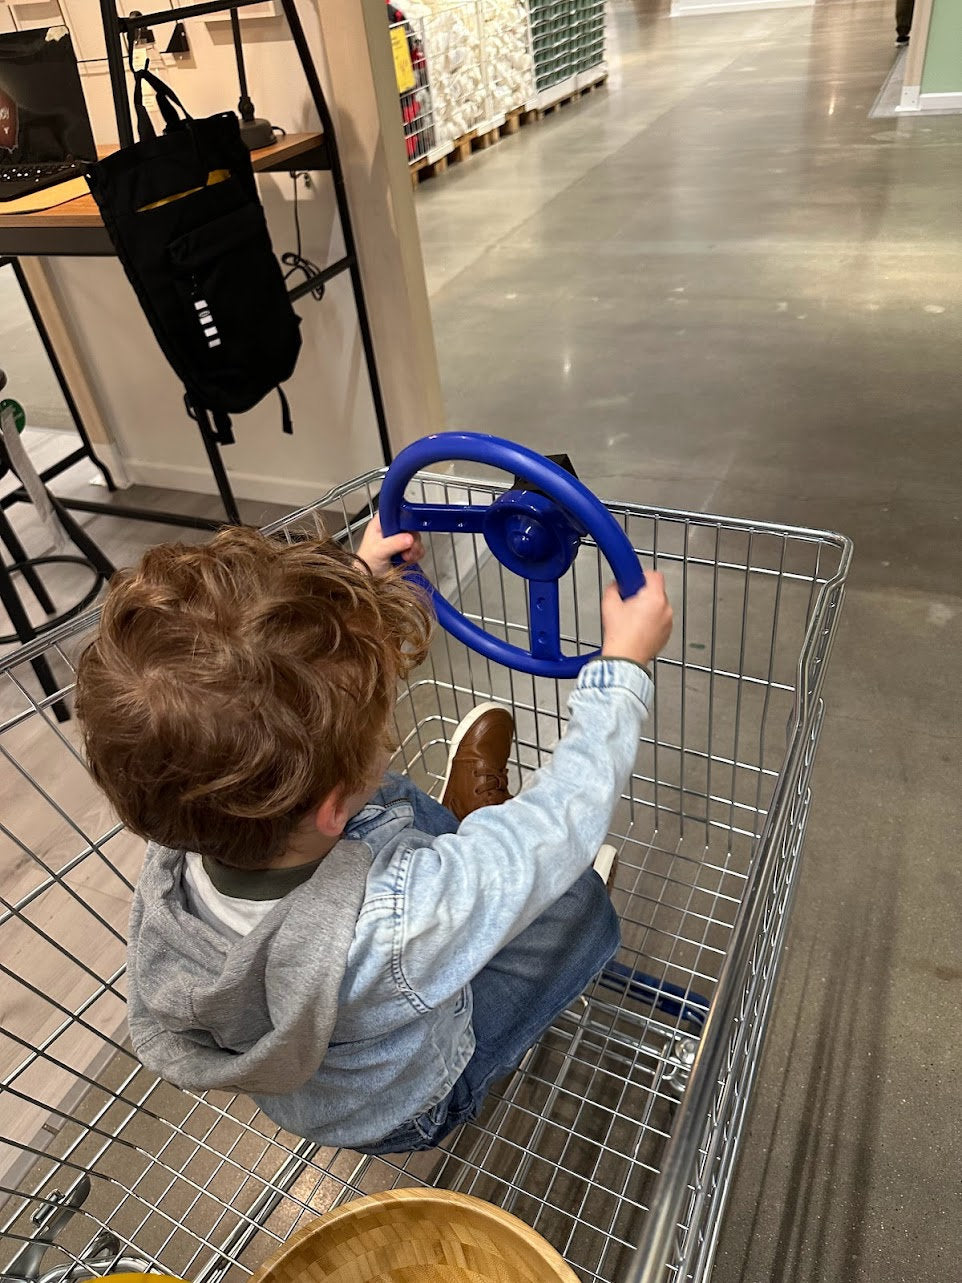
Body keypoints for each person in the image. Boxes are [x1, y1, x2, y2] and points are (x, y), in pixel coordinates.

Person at [76, 519, 672, 1154]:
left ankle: (466, 853)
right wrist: (621, 672)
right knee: (571, 897)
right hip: (413, 1099)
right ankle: (475, 853)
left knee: (378, 808)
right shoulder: (389, 925)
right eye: (379, 725)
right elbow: (558, 826)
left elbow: (255, 702)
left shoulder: (184, 822)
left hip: (323, 1067)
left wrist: (354, 585)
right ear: (332, 808)